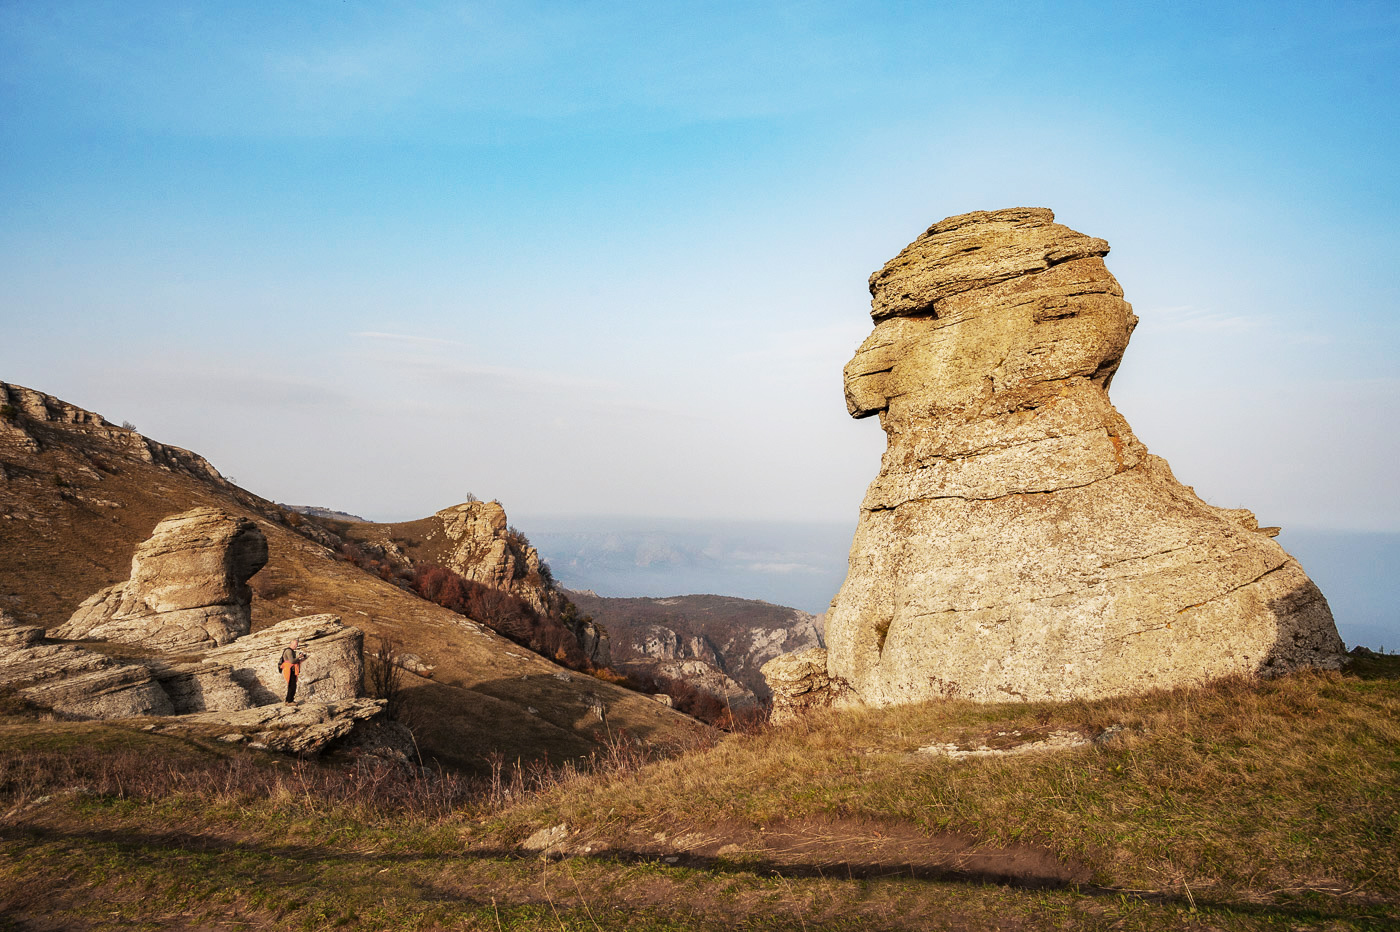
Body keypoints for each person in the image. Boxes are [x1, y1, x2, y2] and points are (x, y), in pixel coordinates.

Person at [280, 637, 307, 704]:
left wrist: (301, 659)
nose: (296, 646)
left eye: (297, 644)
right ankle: (290, 701)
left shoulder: (291, 651)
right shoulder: (289, 651)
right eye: (295, 644)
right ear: (291, 643)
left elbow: (293, 661)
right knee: (292, 686)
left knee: (291, 685)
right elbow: (292, 661)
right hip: (289, 670)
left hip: (291, 670)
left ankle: (288, 700)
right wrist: (298, 657)